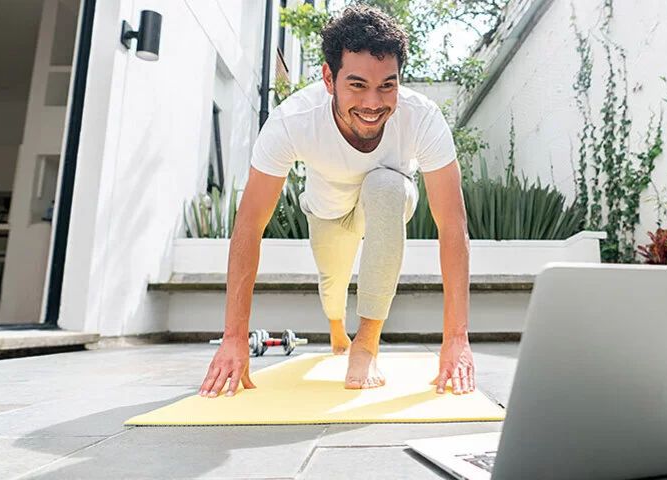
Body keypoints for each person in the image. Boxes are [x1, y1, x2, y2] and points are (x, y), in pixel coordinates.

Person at [198, 6, 476, 398]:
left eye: (387, 86)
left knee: (386, 187)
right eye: (357, 85)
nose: (373, 103)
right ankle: (336, 324)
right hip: (327, 213)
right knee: (333, 286)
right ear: (329, 78)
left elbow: (452, 226)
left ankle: (366, 342)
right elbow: (249, 226)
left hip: (384, 204)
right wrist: (234, 337)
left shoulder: (422, 118)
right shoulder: (293, 121)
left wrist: (456, 339)